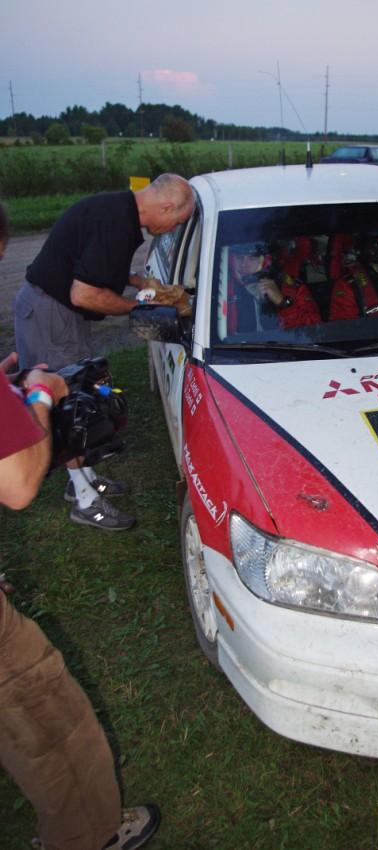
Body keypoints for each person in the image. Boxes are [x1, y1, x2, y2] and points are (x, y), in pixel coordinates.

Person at [1, 203, 161, 850]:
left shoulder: (113, 215)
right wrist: (36, 398)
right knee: (41, 710)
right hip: (52, 340)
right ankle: (87, 836)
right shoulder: (112, 219)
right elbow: (15, 487)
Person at [13, 174, 195, 531]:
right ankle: (84, 500)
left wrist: (140, 282)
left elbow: (94, 265)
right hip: (53, 314)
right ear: (166, 206)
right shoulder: (115, 221)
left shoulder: (118, 212)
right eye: (176, 221)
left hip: (57, 312)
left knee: (80, 394)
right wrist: (138, 306)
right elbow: (84, 294)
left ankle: (81, 480)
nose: (173, 227)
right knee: (70, 407)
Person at [227, 241, 320, 333]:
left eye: (252, 258)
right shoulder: (221, 286)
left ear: (264, 260)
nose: (244, 264)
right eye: (239, 258)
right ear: (232, 259)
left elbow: (313, 331)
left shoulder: (290, 286)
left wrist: (282, 302)